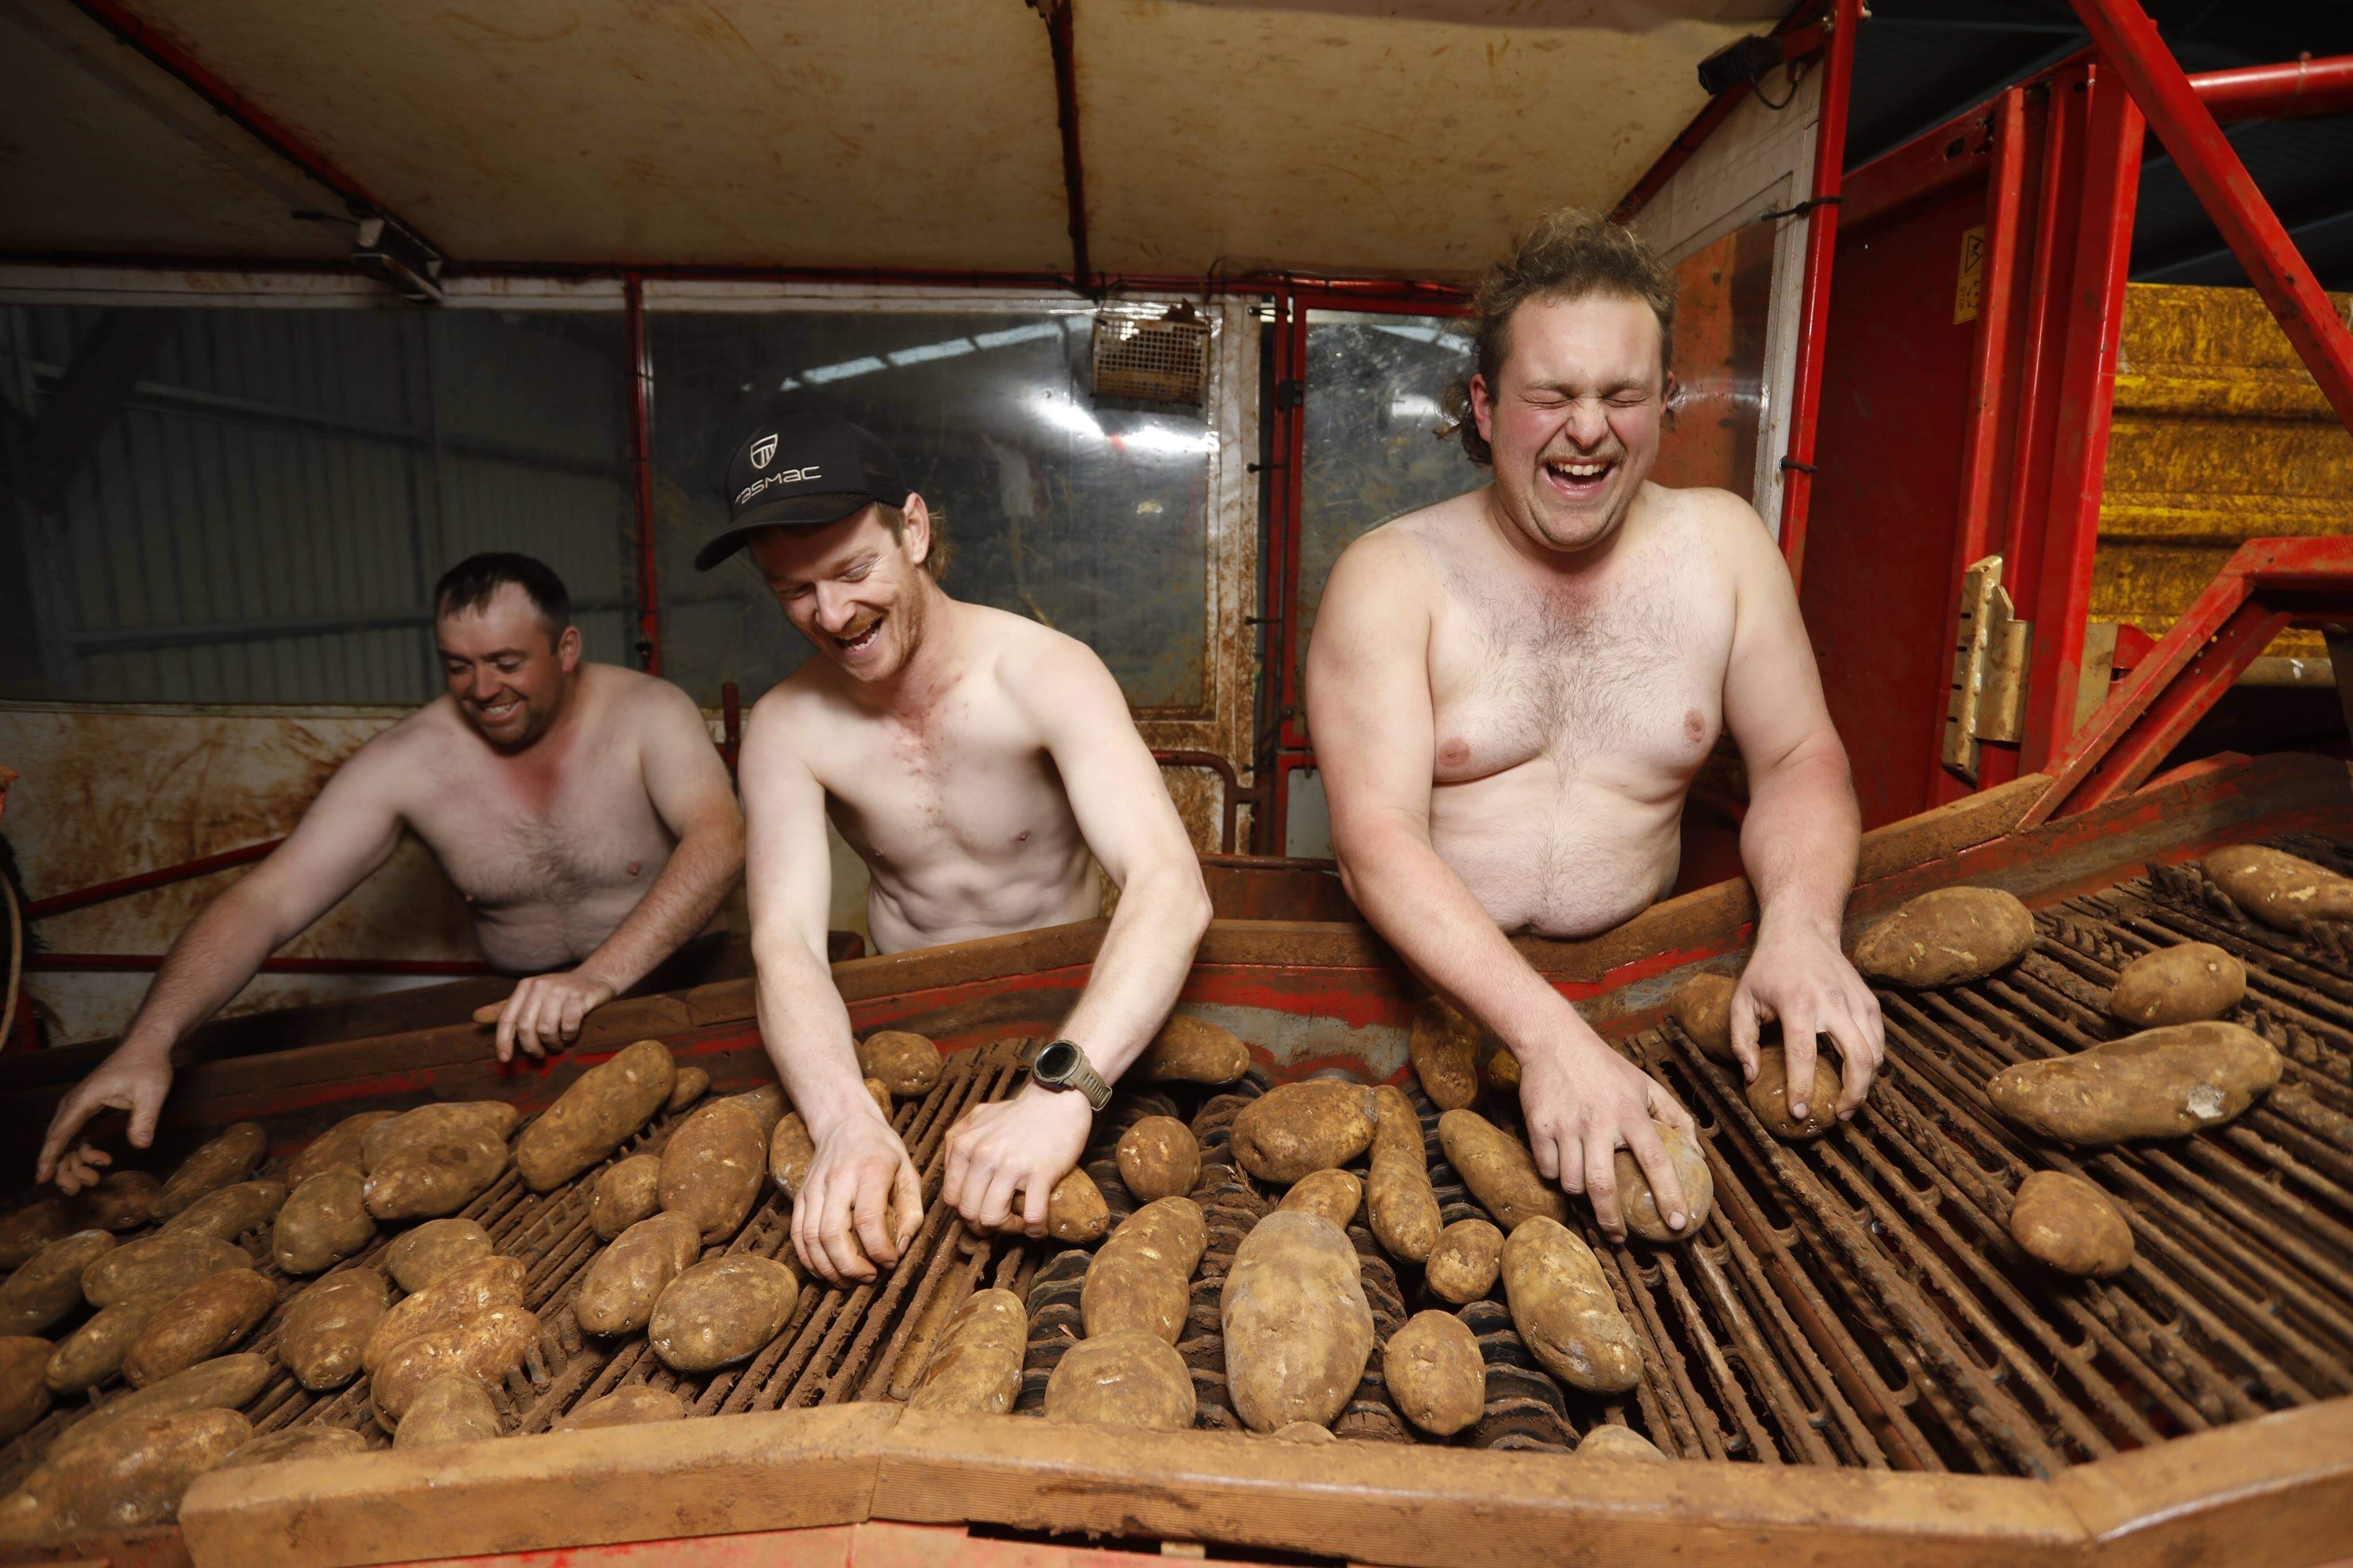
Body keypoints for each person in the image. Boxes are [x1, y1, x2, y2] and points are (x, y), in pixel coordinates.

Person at [1306, 208, 1884, 1241]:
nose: (1587, 430)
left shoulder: (1726, 549)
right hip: (1430, 1013)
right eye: (1551, 397)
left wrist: (1801, 927)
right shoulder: (1391, 579)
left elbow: (1801, 757)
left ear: (1666, 403)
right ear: (1484, 407)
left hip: (1646, 999)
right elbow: (1373, 841)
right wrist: (1546, 1038)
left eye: (1621, 396)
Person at [36, 554, 746, 1191]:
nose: (482, 689)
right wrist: (147, 1041)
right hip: (520, 1036)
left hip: (685, 994)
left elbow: (721, 837)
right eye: (458, 665)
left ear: (565, 648)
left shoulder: (647, 711)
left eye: (506, 661)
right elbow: (268, 899)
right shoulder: (410, 760)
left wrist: (598, 977)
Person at [711, 414, 1210, 1286]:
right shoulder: (787, 727)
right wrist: (841, 1121)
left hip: (1077, 1025)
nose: (831, 614)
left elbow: (1170, 886)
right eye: (792, 589)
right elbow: (784, 943)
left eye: (853, 570)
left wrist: (1064, 1094)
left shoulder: (1044, 672)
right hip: (912, 1045)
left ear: (913, 529)